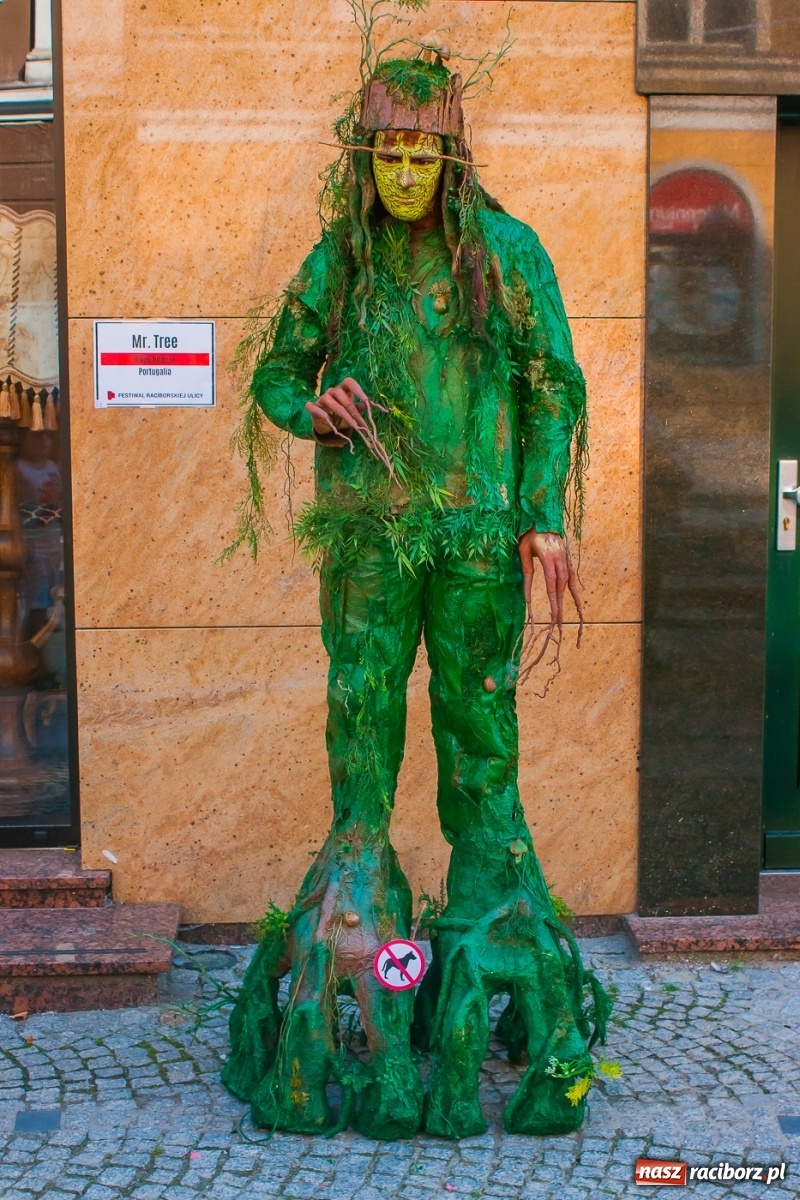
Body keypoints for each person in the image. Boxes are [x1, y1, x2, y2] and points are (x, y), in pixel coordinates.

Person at [222, 53, 608, 1141]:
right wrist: (310, 407)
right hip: (366, 538)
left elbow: (546, 385)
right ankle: (357, 881)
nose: (403, 173)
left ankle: (494, 897)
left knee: (479, 723)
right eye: (386, 153)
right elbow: (276, 374)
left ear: (450, 155)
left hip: (478, 533)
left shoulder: (507, 253)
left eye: (420, 153)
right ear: (363, 158)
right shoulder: (337, 267)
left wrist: (538, 507)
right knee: (361, 705)